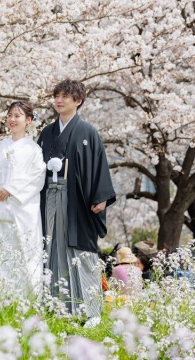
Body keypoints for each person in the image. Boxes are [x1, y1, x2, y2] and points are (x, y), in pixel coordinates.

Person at [38, 79, 116, 322]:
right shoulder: (46, 133)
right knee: (50, 248)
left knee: (80, 252)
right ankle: (56, 308)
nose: (59, 101)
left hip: (77, 203)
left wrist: (101, 197)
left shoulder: (88, 132)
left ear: (78, 101)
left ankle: (90, 310)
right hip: (48, 196)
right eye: (56, 96)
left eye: (65, 97)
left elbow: (98, 165)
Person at [0, 100, 46, 294]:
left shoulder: (34, 150)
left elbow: (37, 176)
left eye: (17, 116)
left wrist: (10, 190)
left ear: (28, 120)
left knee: (20, 257)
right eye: (9, 115)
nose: (12, 119)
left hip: (17, 213)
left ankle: (22, 302)